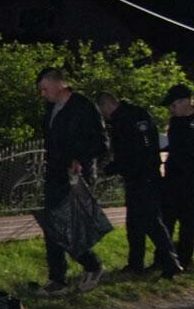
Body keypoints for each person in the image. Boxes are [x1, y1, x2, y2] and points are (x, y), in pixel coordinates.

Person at [36, 68, 108, 295]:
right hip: (56, 173)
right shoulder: (51, 109)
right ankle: (59, 279)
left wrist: (80, 159)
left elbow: (101, 143)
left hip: (76, 177)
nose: (42, 94)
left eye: (44, 89)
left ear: (59, 85)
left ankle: (91, 265)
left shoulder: (82, 107)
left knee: (66, 227)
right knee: (52, 225)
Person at [95, 92, 181, 277]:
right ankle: (136, 263)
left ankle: (170, 261)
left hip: (141, 177)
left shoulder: (124, 121)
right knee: (135, 223)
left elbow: (131, 153)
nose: (103, 116)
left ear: (106, 106)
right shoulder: (136, 114)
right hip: (143, 176)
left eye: (101, 111)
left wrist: (110, 168)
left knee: (152, 222)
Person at [162, 84, 194, 268]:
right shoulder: (175, 123)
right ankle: (165, 258)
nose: (171, 110)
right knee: (167, 219)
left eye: (174, 105)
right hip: (173, 178)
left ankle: (184, 258)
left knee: (188, 222)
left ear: (185, 102)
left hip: (191, 179)